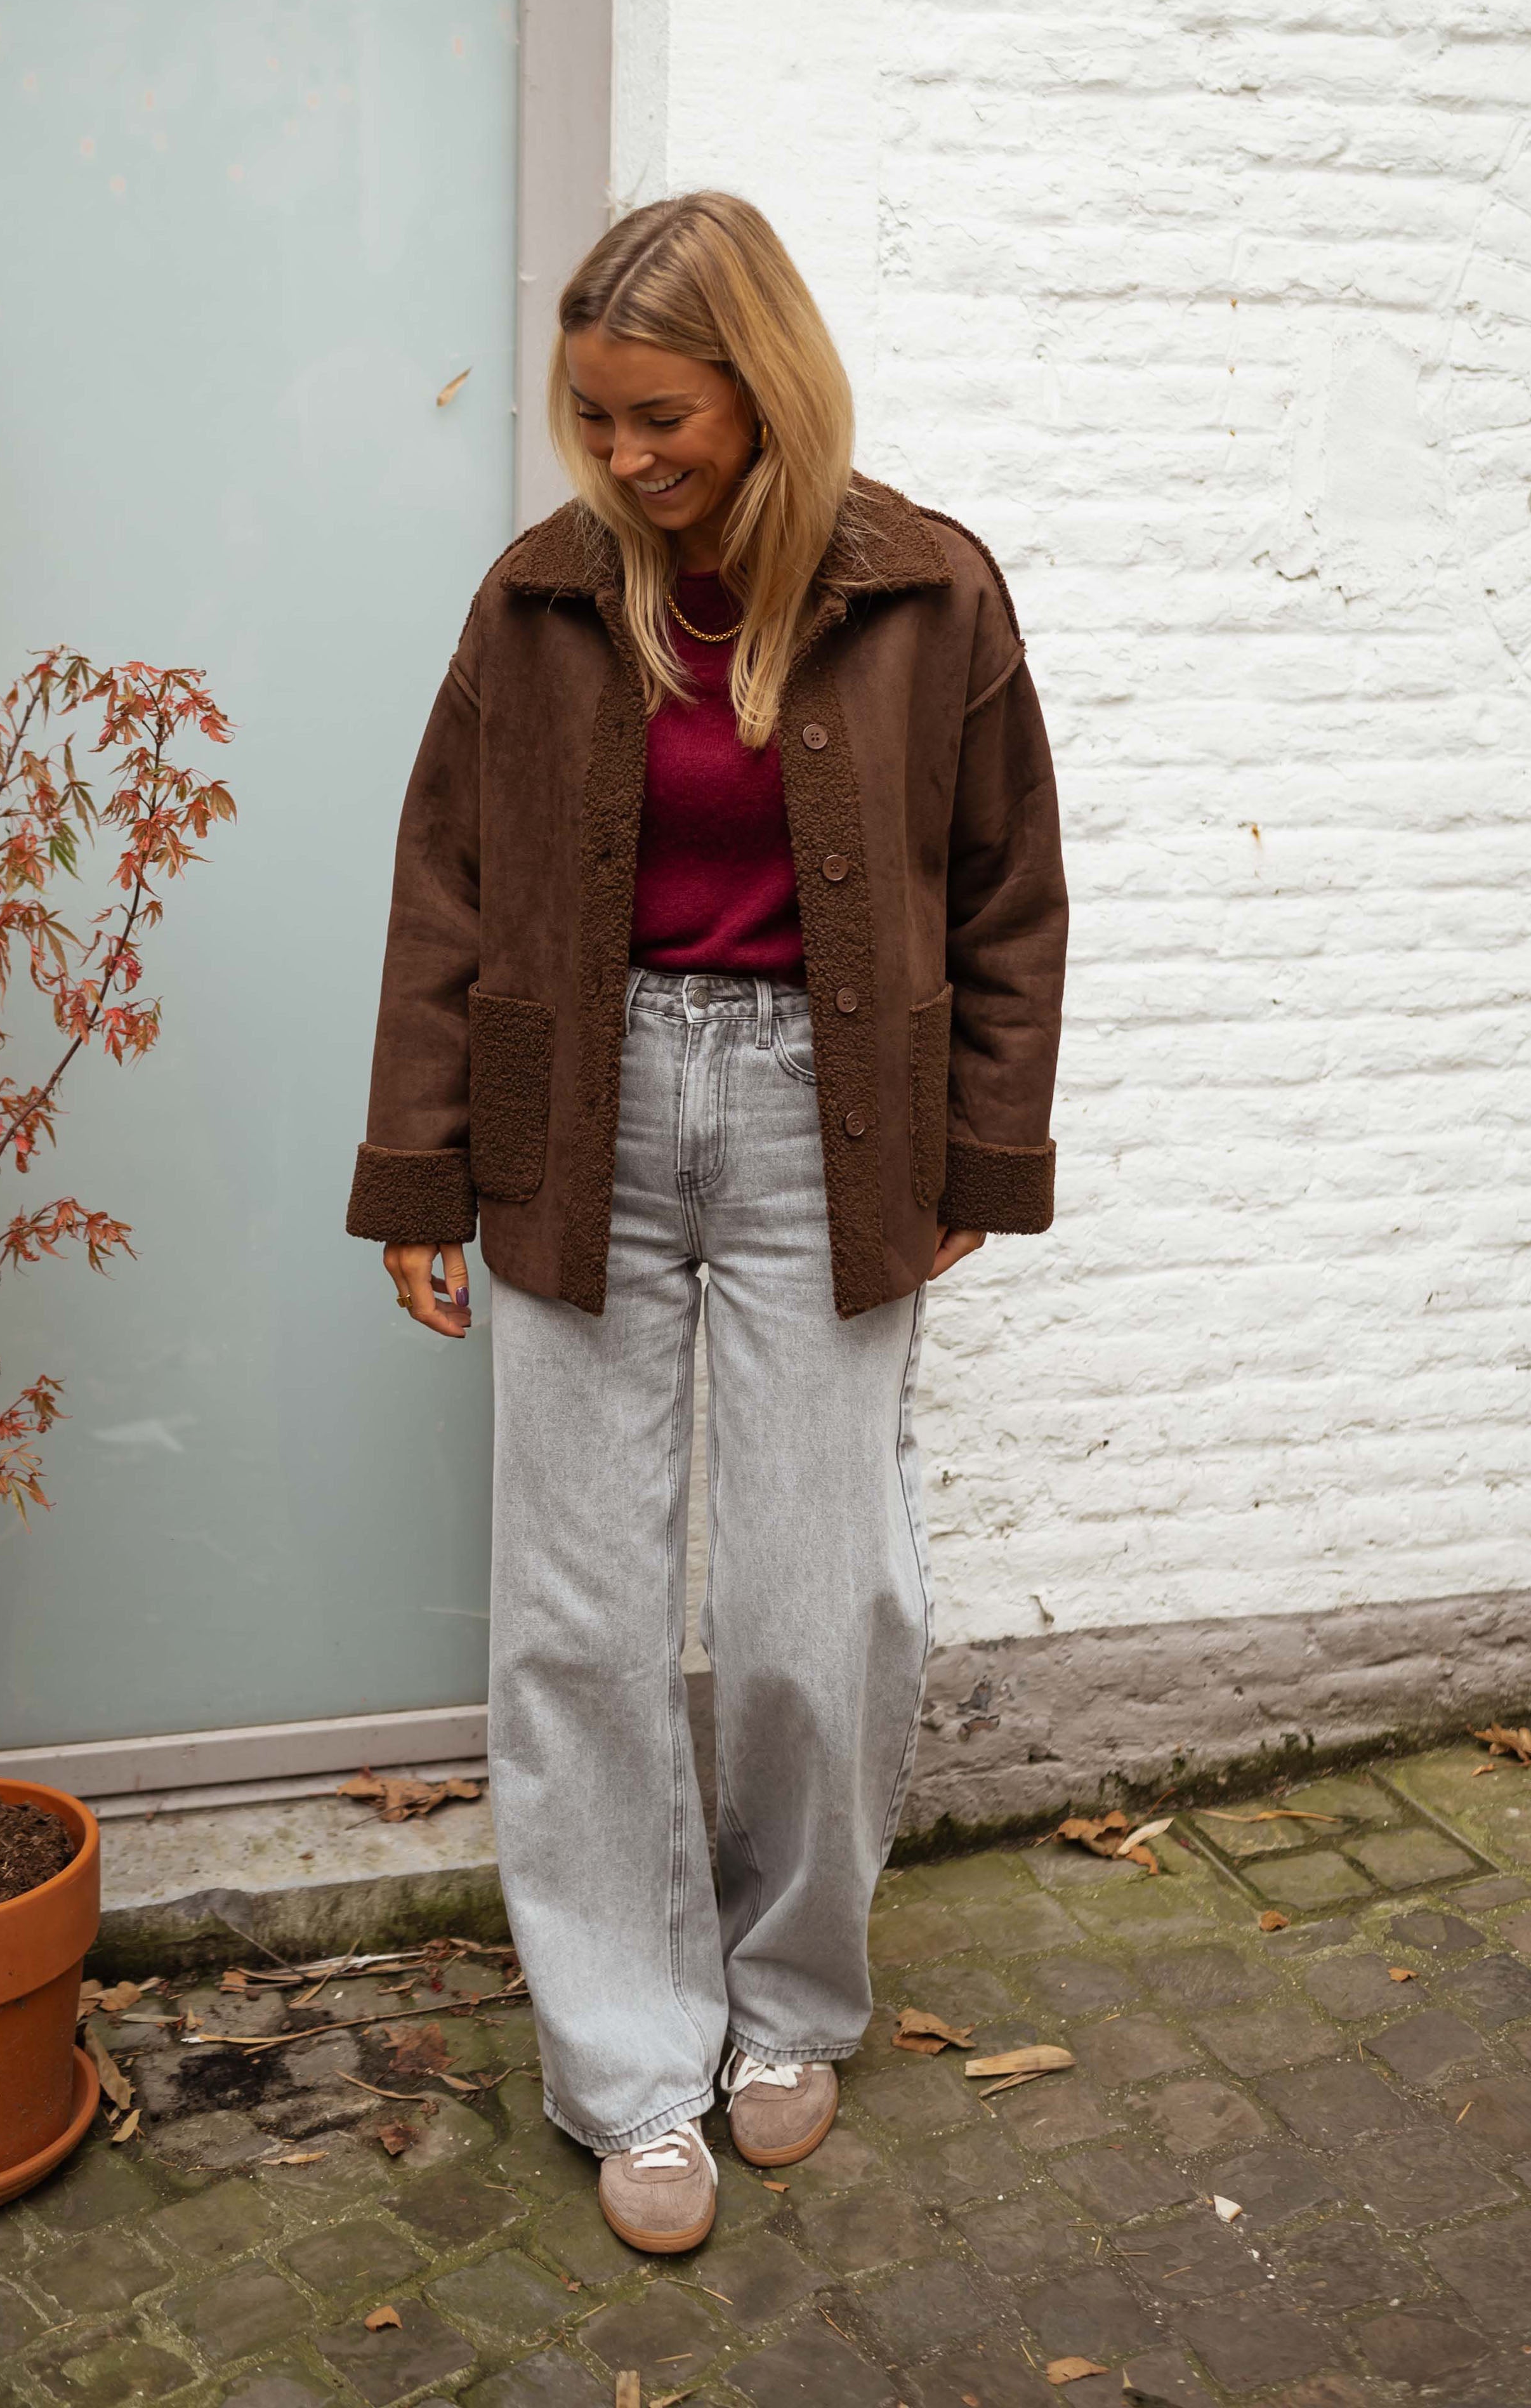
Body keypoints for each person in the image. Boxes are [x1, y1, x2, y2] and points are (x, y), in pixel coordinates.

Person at [347, 191, 1067, 2253]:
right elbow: (448, 889)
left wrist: (973, 1162)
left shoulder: (928, 586)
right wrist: (417, 1171)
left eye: (659, 414)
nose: (626, 455)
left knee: (815, 1599)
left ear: (760, 384)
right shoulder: (541, 597)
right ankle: (627, 2058)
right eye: (593, 417)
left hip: (825, 1129)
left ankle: (787, 2004)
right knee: (576, 1613)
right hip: (577, 1114)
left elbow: (1006, 890)